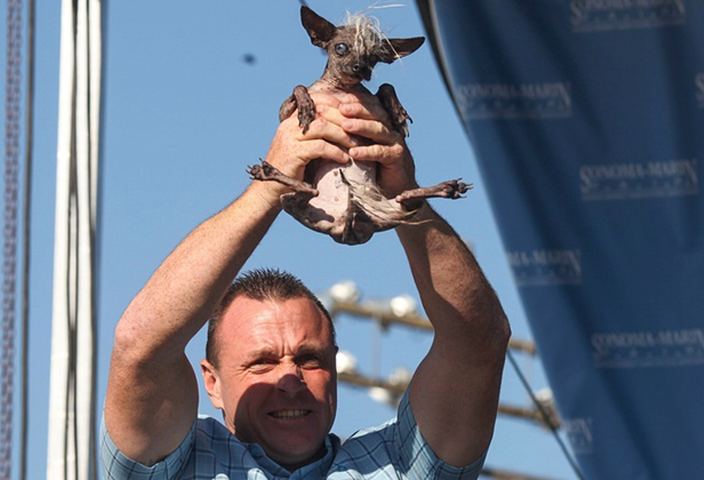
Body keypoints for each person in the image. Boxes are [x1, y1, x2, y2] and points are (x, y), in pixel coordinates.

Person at [101, 90, 511, 479]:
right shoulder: (172, 464)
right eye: (261, 362)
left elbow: (478, 341)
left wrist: (403, 198)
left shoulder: (398, 465)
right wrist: (269, 189)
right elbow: (141, 345)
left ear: (335, 365)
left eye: (310, 359)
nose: (291, 379)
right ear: (212, 382)